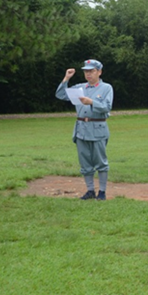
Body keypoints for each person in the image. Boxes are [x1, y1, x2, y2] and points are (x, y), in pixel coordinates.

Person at [56, 59, 114, 200]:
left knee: (100, 162)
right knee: (85, 162)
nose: (88, 74)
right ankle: (90, 190)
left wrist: (92, 102)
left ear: (99, 72)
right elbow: (61, 95)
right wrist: (66, 79)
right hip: (81, 129)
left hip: (98, 128)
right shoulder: (80, 88)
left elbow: (107, 107)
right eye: (86, 71)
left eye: (91, 71)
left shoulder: (106, 88)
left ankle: (102, 192)